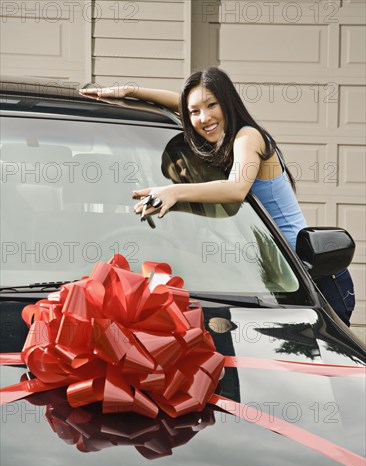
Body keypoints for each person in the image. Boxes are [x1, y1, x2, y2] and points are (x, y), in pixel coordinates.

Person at [79, 67, 355, 326]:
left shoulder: (249, 137)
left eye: (212, 105)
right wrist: (130, 91)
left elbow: (236, 189)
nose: (204, 118)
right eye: (195, 111)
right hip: (273, 278)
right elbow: (182, 104)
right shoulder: (222, 133)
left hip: (311, 276)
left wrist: (174, 191)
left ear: (228, 103)